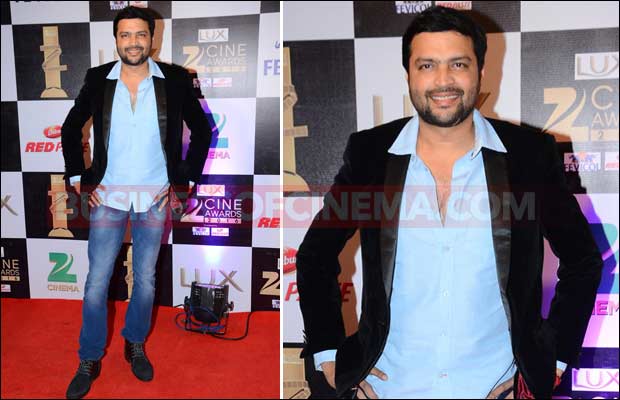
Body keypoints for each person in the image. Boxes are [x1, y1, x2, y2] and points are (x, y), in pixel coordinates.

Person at [296, 6, 602, 399]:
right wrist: (329, 355)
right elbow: (316, 255)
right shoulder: (371, 154)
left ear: (480, 71)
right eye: (427, 65)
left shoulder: (528, 156)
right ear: (408, 74)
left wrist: (549, 363)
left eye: (458, 64)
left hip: (492, 388)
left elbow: (582, 260)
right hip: (391, 389)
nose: (443, 80)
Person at [61, 6, 213, 399]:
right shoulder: (98, 79)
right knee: (97, 282)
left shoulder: (175, 80)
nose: (133, 42)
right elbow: (71, 127)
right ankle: (89, 356)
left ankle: (134, 342)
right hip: (108, 195)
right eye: (125, 35)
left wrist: (184, 181)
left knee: (145, 280)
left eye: (140, 34)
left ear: (152, 38)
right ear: (116, 39)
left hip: (155, 197)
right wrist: (79, 178)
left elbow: (202, 130)